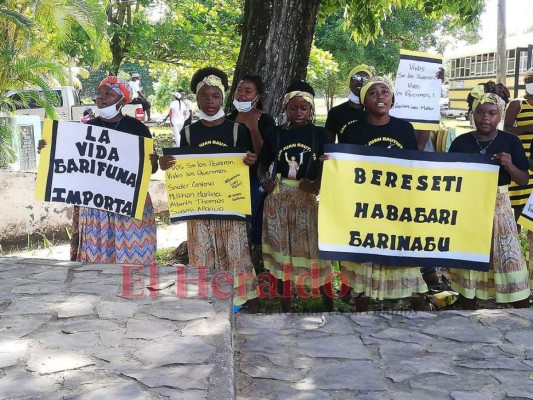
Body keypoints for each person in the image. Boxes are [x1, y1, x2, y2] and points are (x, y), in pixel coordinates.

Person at [159, 67, 259, 312]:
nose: (209, 101)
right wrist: (166, 164)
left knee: (234, 254)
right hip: (199, 208)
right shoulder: (189, 133)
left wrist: (249, 162)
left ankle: (239, 303)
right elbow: (182, 166)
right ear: (197, 99)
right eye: (204, 96)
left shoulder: (237, 130)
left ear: (222, 97)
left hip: (230, 207)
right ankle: (207, 302)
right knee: (202, 254)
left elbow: (247, 164)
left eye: (215, 96)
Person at [39, 76, 159, 265]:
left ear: (122, 100)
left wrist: (153, 161)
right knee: (97, 257)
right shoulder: (87, 128)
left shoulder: (137, 128)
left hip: (127, 203)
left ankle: (132, 285)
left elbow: (151, 169)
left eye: (108, 94)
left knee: (132, 256)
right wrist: (49, 148)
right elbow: (73, 160)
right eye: (99, 93)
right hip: (96, 206)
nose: (100, 98)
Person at [340, 76, 427, 311]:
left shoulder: (404, 128)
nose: (380, 96)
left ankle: (412, 295)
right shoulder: (353, 130)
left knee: (398, 248)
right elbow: (345, 166)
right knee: (366, 250)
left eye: (385, 92)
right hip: (366, 203)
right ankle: (362, 297)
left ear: (392, 98)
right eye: (373, 93)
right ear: (364, 100)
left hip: (396, 203)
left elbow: (412, 163)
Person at [448, 88, 530, 310]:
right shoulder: (461, 142)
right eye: (480, 113)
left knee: (506, 252)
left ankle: (520, 303)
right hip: (468, 204)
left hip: (499, 205)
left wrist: (509, 165)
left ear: (500, 115)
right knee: (470, 252)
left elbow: (523, 180)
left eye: (492, 113)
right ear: (473, 115)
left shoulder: (511, 141)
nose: (485, 118)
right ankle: (468, 302)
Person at [257, 81, 334, 312]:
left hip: (307, 199)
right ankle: (285, 308)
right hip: (280, 198)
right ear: (285, 108)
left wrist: (318, 183)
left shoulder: (321, 134)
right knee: (283, 255)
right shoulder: (276, 133)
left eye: (303, 108)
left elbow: (330, 165)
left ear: (311, 109)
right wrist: (264, 181)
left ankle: (329, 305)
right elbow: (262, 165)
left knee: (315, 251)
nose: (298, 112)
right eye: (293, 108)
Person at [227, 75, 276, 259]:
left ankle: (251, 258)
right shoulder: (227, 119)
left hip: (254, 180)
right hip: (228, 180)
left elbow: (266, 155)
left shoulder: (266, 121)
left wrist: (253, 128)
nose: (242, 95)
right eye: (239, 90)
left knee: (249, 221)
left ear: (258, 96)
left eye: (248, 91)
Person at [503, 69, 533, 221]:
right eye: (530, 81)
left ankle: (530, 242)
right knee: (519, 201)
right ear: (526, 83)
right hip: (522, 158)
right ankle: (515, 238)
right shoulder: (517, 104)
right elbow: (506, 129)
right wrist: (526, 128)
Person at [325, 64, 375, 143]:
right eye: (356, 78)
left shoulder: (376, 111)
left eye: (366, 79)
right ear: (349, 82)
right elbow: (328, 145)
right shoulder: (335, 113)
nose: (360, 81)